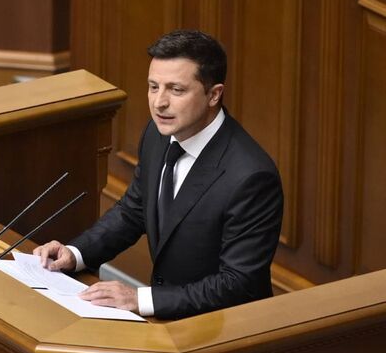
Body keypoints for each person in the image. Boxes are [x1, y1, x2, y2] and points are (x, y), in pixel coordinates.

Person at [33, 30, 283, 319]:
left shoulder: (251, 177)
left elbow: (238, 284)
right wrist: (76, 253)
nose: (159, 102)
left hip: (223, 329)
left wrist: (140, 298)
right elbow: (133, 211)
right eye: (153, 87)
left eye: (176, 90)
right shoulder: (158, 134)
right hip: (167, 321)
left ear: (214, 94)